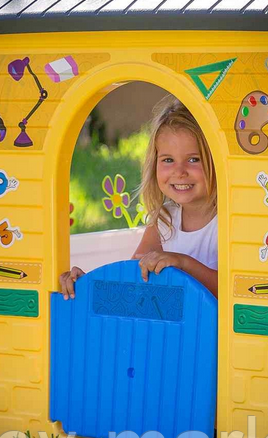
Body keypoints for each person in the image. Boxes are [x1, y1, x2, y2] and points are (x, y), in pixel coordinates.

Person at [58, 96, 218, 300]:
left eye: (194, 159)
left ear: (216, 162)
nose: (180, 171)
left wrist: (183, 263)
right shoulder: (164, 221)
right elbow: (132, 283)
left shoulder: (225, 224)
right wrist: (86, 284)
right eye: (168, 160)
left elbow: (233, 291)